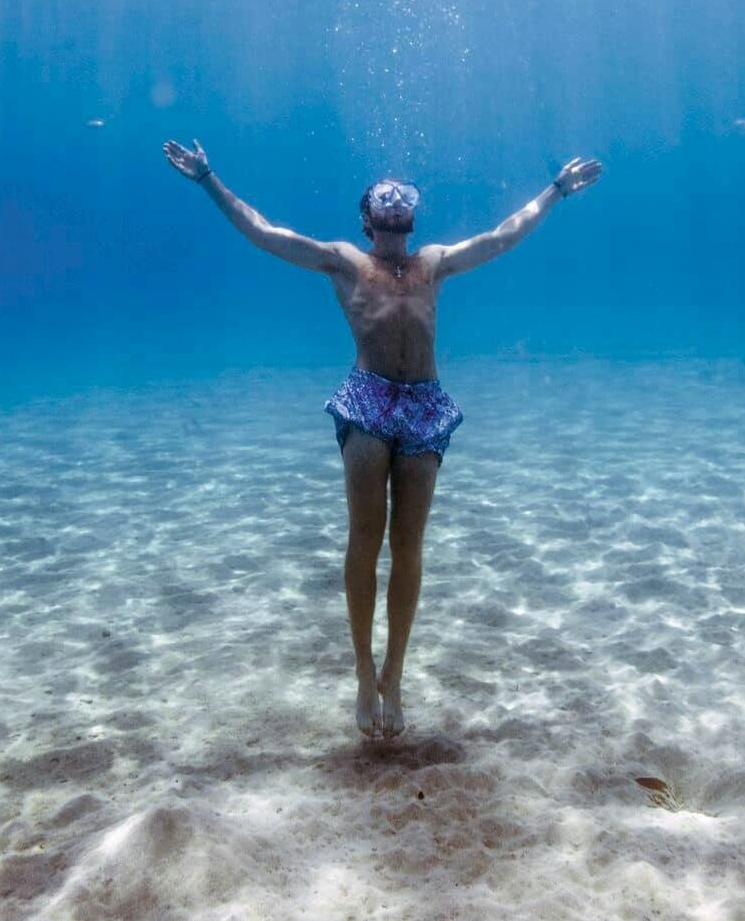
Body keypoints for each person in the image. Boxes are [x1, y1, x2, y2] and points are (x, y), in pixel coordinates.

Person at [162, 139, 603, 738]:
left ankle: (394, 671)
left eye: (404, 196)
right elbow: (266, 233)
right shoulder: (346, 260)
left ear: (412, 215)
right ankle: (363, 673)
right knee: (364, 540)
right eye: (383, 197)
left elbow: (501, 237)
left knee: (409, 546)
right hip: (369, 400)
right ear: (368, 219)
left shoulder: (434, 261)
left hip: (424, 405)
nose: (395, 202)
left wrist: (555, 190)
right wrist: (209, 180)